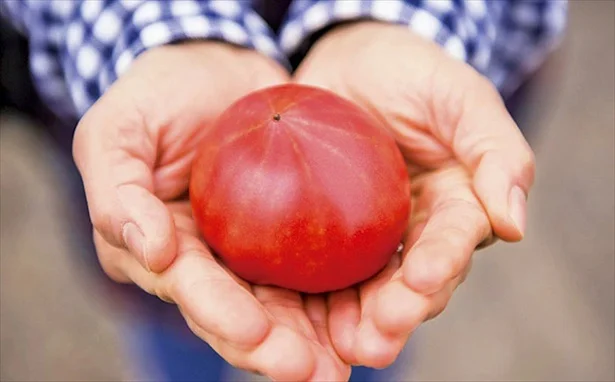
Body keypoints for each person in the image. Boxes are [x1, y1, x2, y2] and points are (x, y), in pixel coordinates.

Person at [0, 0, 568, 380]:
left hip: (432, 76)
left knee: (375, 333)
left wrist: (397, 18)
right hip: (157, 140)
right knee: (176, 306)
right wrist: (155, 26)